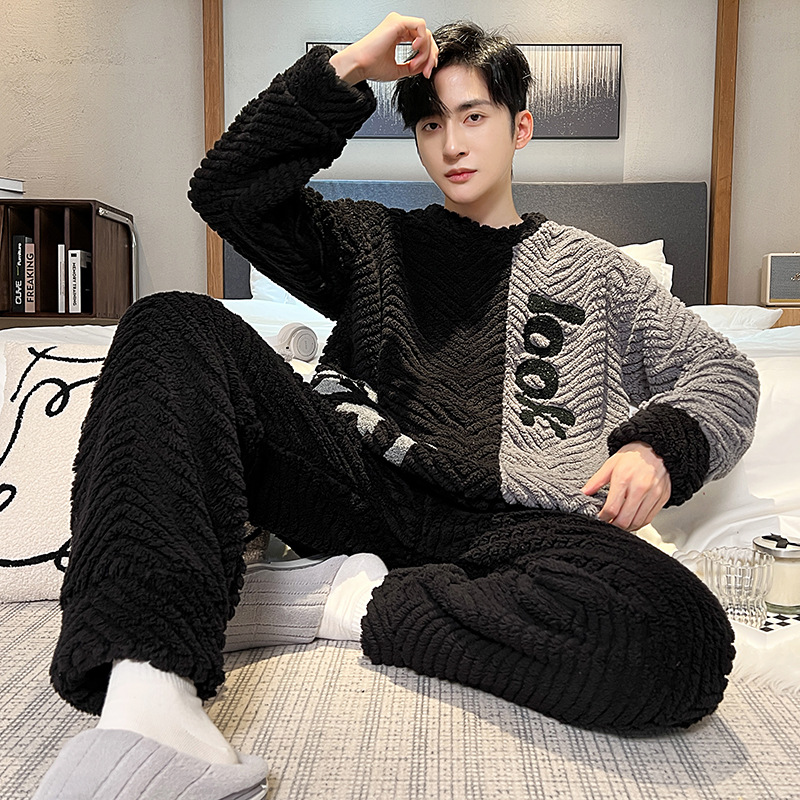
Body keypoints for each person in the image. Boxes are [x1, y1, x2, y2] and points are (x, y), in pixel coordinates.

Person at [34, 12, 759, 800]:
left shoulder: (600, 272)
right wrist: (347, 68)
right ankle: (149, 688)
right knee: (169, 320)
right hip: (361, 485)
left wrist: (656, 447)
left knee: (681, 637)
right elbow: (227, 192)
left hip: (519, 530)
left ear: (519, 128)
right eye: (430, 124)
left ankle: (335, 599)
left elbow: (724, 371)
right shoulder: (372, 242)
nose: (452, 144)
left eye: (474, 117)